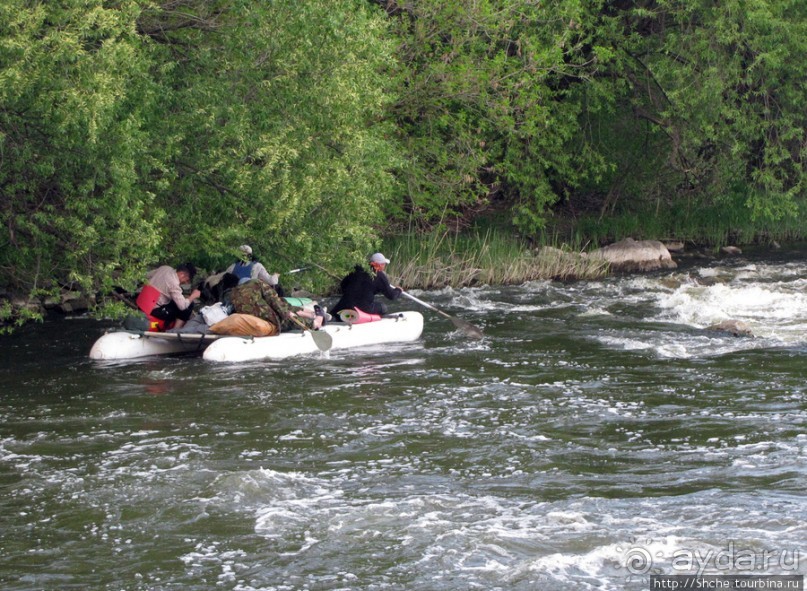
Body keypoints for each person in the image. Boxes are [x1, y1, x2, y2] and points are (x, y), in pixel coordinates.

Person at [228, 279, 324, 332]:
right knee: (287, 319)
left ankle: (310, 314)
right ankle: (315, 323)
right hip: (265, 315)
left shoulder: (233, 292)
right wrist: (286, 313)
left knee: (282, 302)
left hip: (249, 314)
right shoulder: (258, 284)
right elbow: (274, 301)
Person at [330, 252, 402, 318]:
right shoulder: (379, 276)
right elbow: (392, 296)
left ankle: (334, 316)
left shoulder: (355, 270)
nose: (384, 266)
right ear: (380, 265)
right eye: (384, 264)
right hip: (363, 307)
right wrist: (398, 290)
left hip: (345, 304)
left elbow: (343, 285)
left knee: (341, 307)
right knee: (383, 307)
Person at [138, 263, 201, 330]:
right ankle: (175, 330)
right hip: (154, 309)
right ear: (182, 274)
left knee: (176, 301)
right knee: (188, 306)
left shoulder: (165, 268)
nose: (186, 283)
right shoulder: (174, 284)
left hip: (142, 301)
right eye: (187, 280)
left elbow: (146, 276)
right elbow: (182, 306)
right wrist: (193, 296)